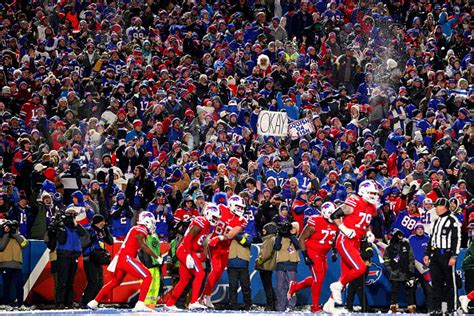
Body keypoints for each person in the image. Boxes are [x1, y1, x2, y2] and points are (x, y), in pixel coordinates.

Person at [324, 180, 379, 312]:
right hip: (345, 240)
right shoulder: (355, 201)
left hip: (356, 242)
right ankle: (337, 287)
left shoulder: (371, 207)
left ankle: (329, 304)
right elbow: (334, 215)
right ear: (363, 191)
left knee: (346, 275)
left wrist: (369, 232)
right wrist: (344, 229)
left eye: (375, 193)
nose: (374, 195)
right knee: (360, 268)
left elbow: (364, 223)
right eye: (371, 193)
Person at [87, 211, 159, 311]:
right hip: (127, 258)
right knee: (147, 276)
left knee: (115, 281)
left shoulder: (136, 228)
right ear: (147, 221)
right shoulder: (141, 228)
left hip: (122, 257)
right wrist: (156, 256)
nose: (153, 224)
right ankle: (140, 304)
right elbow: (142, 245)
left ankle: (94, 302)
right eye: (152, 222)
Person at [165, 203, 220, 310]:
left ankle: (170, 304)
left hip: (188, 250)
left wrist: (202, 254)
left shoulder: (208, 225)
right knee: (200, 273)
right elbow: (188, 239)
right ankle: (193, 302)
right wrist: (189, 255)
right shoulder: (201, 221)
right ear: (208, 214)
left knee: (184, 280)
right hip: (185, 250)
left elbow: (198, 242)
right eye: (214, 217)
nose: (215, 220)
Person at [287, 202, 338, 312]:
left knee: (318, 279)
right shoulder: (316, 221)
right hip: (312, 251)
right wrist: (305, 256)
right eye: (331, 213)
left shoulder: (335, 223)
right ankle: (314, 306)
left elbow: (333, 239)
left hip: (323, 254)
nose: (333, 215)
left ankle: (295, 287)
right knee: (318, 279)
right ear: (324, 213)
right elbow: (301, 239)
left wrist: (334, 251)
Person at [201, 195, 247, 308]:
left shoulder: (241, 220)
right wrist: (206, 207)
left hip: (225, 247)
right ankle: (205, 296)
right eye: (238, 206)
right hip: (214, 245)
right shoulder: (221, 208)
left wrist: (220, 238)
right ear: (231, 204)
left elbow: (232, 234)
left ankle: (206, 295)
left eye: (242, 207)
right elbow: (207, 209)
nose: (240, 209)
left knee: (219, 273)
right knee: (215, 269)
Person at [423, 198, 461, 314]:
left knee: (450, 283)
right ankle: (436, 308)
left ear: (444, 207)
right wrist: (427, 254)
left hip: (447, 254)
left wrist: (454, 256)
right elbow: (431, 239)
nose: (435, 208)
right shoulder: (435, 221)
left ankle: (452, 308)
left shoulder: (452, 220)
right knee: (436, 283)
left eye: (437, 206)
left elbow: (457, 239)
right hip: (435, 255)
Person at [55, 207, 90, 308]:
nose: (73, 217)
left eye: (74, 215)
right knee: (63, 280)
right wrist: (63, 223)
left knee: (70, 281)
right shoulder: (61, 225)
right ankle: (60, 302)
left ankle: (68, 302)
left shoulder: (76, 227)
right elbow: (61, 239)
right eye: (71, 215)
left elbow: (84, 234)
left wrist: (75, 223)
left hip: (74, 255)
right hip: (64, 254)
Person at [80, 214, 113, 307]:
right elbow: (84, 243)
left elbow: (110, 242)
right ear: (97, 222)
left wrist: (106, 230)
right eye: (102, 221)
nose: (103, 223)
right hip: (89, 258)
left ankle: (94, 302)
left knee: (100, 283)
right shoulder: (88, 229)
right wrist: (94, 236)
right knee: (93, 281)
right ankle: (84, 302)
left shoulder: (102, 231)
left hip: (98, 258)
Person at [384, 228, 416, 313]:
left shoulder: (406, 245)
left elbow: (411, 258)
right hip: (395, 273)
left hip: (406, 272)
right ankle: (393, 307)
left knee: (409, 291)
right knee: (394, 291)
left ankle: (411, 307)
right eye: (399, 235)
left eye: (401, 235)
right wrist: (391, 270)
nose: (401, 237)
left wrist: (410, 270)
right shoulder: (389, 248)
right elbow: (386, 260)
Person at [0, 219, 28, 309]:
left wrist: (14, 234)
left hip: (17, 265)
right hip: (5, 264)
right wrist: (6, 234)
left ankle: (21, 304)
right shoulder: (2, 236)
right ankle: (6, 304)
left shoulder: (19, 236)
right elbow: (1, 247)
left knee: (19, 285)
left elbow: (24, 244)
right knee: (6, 285)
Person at [273, 221, 300, 311]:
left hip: (292, 264)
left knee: (291, 286)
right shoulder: (279, 238)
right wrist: (279, 235)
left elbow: (297, 245)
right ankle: (281, 306)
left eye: (293, 228)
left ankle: (290, 306)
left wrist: (290, 235)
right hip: (280, 263)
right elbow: (276, 247)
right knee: (280, 286)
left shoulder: (296, 238)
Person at [408, 224, 433, 312]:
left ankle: (430, 308)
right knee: (411, 289)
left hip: (425, 268)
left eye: (421, 229)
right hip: (414, 269)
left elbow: (432, 251)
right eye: (418, 229)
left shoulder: (428, 238)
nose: (420, 230)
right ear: (415, 230)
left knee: (428, 289)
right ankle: (412, 310)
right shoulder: (411, 238)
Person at [255, 222, 277, 311]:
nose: (263, 231)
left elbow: (265, 254)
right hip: (268, 266)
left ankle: (270, 304)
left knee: (267, 286)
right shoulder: (272, 238)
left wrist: (258, 261)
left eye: (264, 229)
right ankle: (274, 303)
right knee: (269, 286)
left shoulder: (269, 239)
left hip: (265, 266)